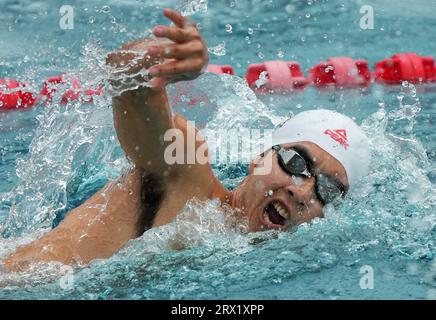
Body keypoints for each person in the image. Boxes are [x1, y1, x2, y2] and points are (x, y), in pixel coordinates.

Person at [1, 9, 370, 270]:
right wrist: (165, 58)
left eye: (328, 189)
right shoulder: (186, 174)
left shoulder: (240, 258)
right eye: (296, 162)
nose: (302, 191)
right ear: (258, 158)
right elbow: (126, 75)